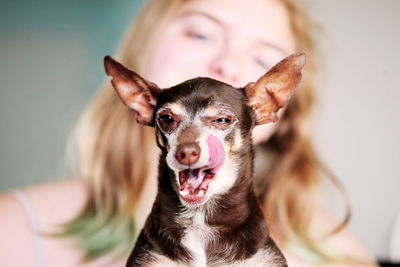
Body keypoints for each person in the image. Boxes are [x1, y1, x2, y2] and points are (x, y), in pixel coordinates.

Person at [0, 0, 378, 266]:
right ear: (140, 97)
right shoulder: (12, 229)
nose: (227, 64)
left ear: (272, 106)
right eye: (201, 34)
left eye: (263, 59)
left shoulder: (339, 255)